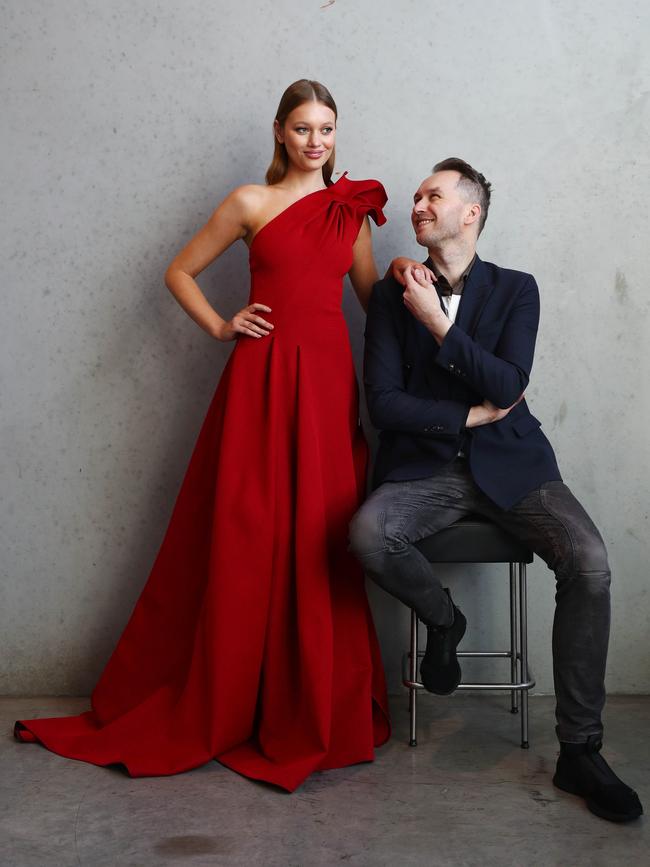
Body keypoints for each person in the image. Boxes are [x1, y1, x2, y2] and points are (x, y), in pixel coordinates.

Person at [13, 79, 430, 792]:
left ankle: (308, 700)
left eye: (326, 128)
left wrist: (398, 274)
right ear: (279, 132)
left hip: (327, 393)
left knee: (319, 541)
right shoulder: (250, 202)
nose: (316, 141)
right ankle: (235, 697)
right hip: (260, 385)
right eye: (302, 128)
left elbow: (373, 310)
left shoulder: (350, 214)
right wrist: (220, 323)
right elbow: (177, 271)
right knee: (248, 536)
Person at [349, 158, 643, 823]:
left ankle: (581, 748)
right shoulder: (393, 298)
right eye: (418, 195)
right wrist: (464, 413)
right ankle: (444, 618)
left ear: (470, 213)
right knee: (367, 533)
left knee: (590, 560)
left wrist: (440, 324)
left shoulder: (518, 289)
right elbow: (385, 403)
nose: (418, 203)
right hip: (424, 467)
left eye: (434, 195)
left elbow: (510, 385)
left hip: (513, 466)